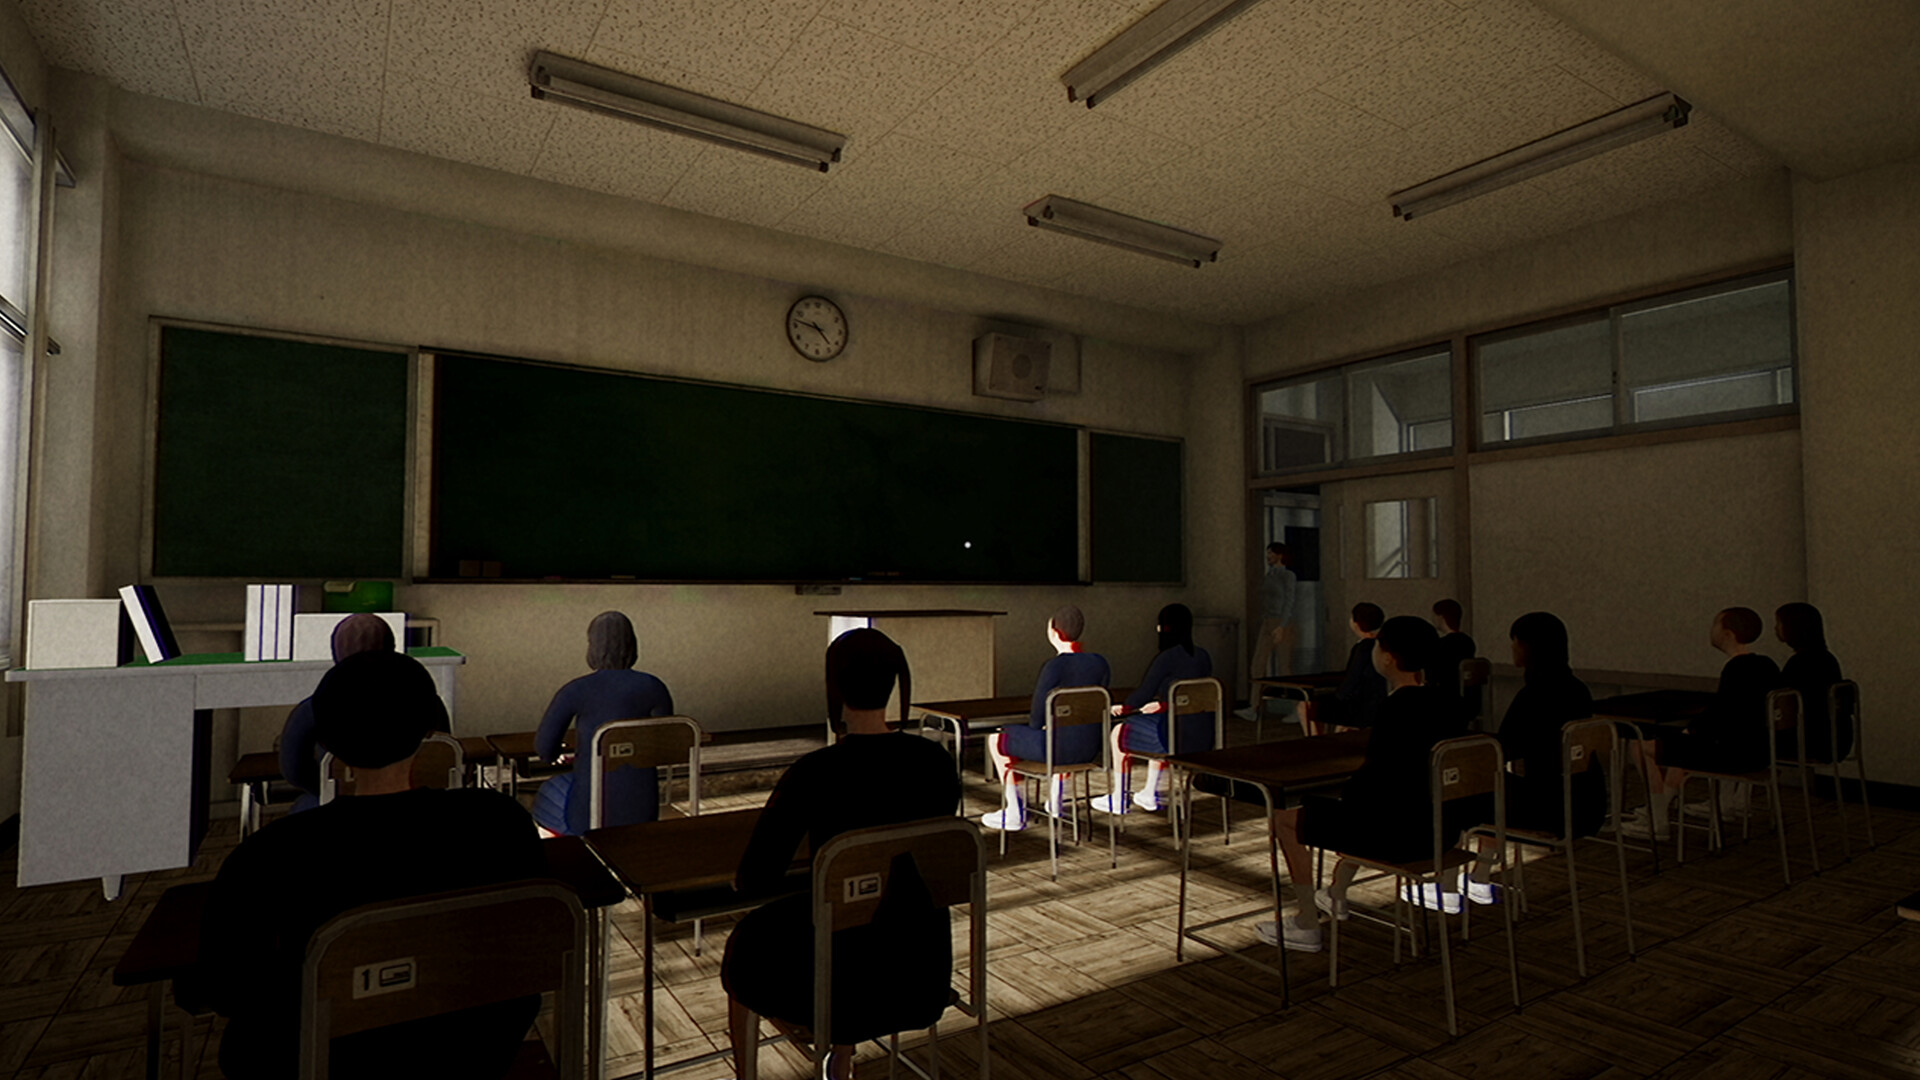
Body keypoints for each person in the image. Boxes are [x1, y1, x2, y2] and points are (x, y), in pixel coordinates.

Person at [187, 650, 547, 1080]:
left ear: (325, 738)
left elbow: (223, 990)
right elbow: (535, 941)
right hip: (475, 1050)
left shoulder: (268, 854)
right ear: (430, 727)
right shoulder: (500, 821)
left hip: (318, 1060)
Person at [722, 629, 961, 1080]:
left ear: (834, 688)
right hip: (921, 971)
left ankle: (756, 1072)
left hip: (843, 988)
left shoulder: (815, 772)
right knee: (864, 908)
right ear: (893, 683)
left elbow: (757, 876)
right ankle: (842, 1057)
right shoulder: (936, 763)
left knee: (749, 944)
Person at [1259, 616, 1464, 951]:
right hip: (1442, 831)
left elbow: (1372, 790)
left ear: (1388, 658)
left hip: (1395, 836)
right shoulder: (1449, 704)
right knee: (1369, 807)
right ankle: (1335, 893)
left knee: (1284, 819)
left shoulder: (1396, 708)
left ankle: (1307, 921)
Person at [1624, 607, 1781, 841]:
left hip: (1732, 755)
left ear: (1728, 634)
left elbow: (1721, 715)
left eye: (1715, 624)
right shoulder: (1767, 664)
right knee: (1681, 747)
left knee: (1639, 745)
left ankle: (1657, 822)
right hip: (1761, 751)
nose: (1711, 630)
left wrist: (1691, 729)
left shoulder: (1736, 669)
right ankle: (1658, 810)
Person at [531, 610, 674, 836]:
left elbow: (544, 748)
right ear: (632, 645)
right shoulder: (654, 686)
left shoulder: (575, 690)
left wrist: (560, 755)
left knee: (549, 791)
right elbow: (663, 744)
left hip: (590, 813)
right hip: (644, 807)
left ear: (593, 647)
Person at [982, 605, 1111, 832]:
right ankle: (1056, 801)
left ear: (1054, 632)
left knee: (997, 738)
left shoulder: (1054, 666)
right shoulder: (1100, 662)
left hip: (1057, 750)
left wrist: (1038, 726)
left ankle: (1015, 811)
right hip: (1090, 748)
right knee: (1069, 729)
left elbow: (1036, 717)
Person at [278, 613, 413, 814]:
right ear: (392, 649)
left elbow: (293, 771)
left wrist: (330, 789)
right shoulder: (426, 700)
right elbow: (443, 751)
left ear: (336, 654)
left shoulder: (312, 709)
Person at [1096, 603, 1214, 815]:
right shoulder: (1203, 656)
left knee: (1119, 732)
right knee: (1153, 723)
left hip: (1174, 736)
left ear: (1163, 629)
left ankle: (1119, 797)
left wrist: (1125, 707)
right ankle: (1149, 792)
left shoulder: (1166, 658)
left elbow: (1144, 693)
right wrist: (1166, 706)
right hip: (1203, 736)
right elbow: (1191, 698)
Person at [1775, 602, 1847, 762]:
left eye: (1779, 623)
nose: (1776, 628)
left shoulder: (1800, 663)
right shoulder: (1828, 659)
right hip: (1839, 739)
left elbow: (1781, 703)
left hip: (1810, 741)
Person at [1303, 602, 1387, 733]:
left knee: (1306, 706)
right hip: (1374, 701)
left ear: (1356, 623)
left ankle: (1315, 739)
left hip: (1359, 705)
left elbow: (1353, 678)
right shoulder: (1381, 644)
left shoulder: (1363, 648)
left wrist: (1338, 696)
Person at [1250, 542, 1298, 681]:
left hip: (1281, 622)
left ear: (1279, 555)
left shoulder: (1288, 575)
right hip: (1268, 620)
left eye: (1271, 553)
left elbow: (1289, 600)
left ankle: (1287, 693)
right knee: (1258, 663)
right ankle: (1256, 695)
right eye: (1268, 553)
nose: (1268, 556)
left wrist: (1282, 625)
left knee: (1284, 665)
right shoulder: (1269, 575)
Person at [1429, 599, 1477, 703]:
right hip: (1469, 697)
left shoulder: (1441, 644)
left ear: (1441, 617)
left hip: (1446, 696)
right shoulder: (1468, 641)